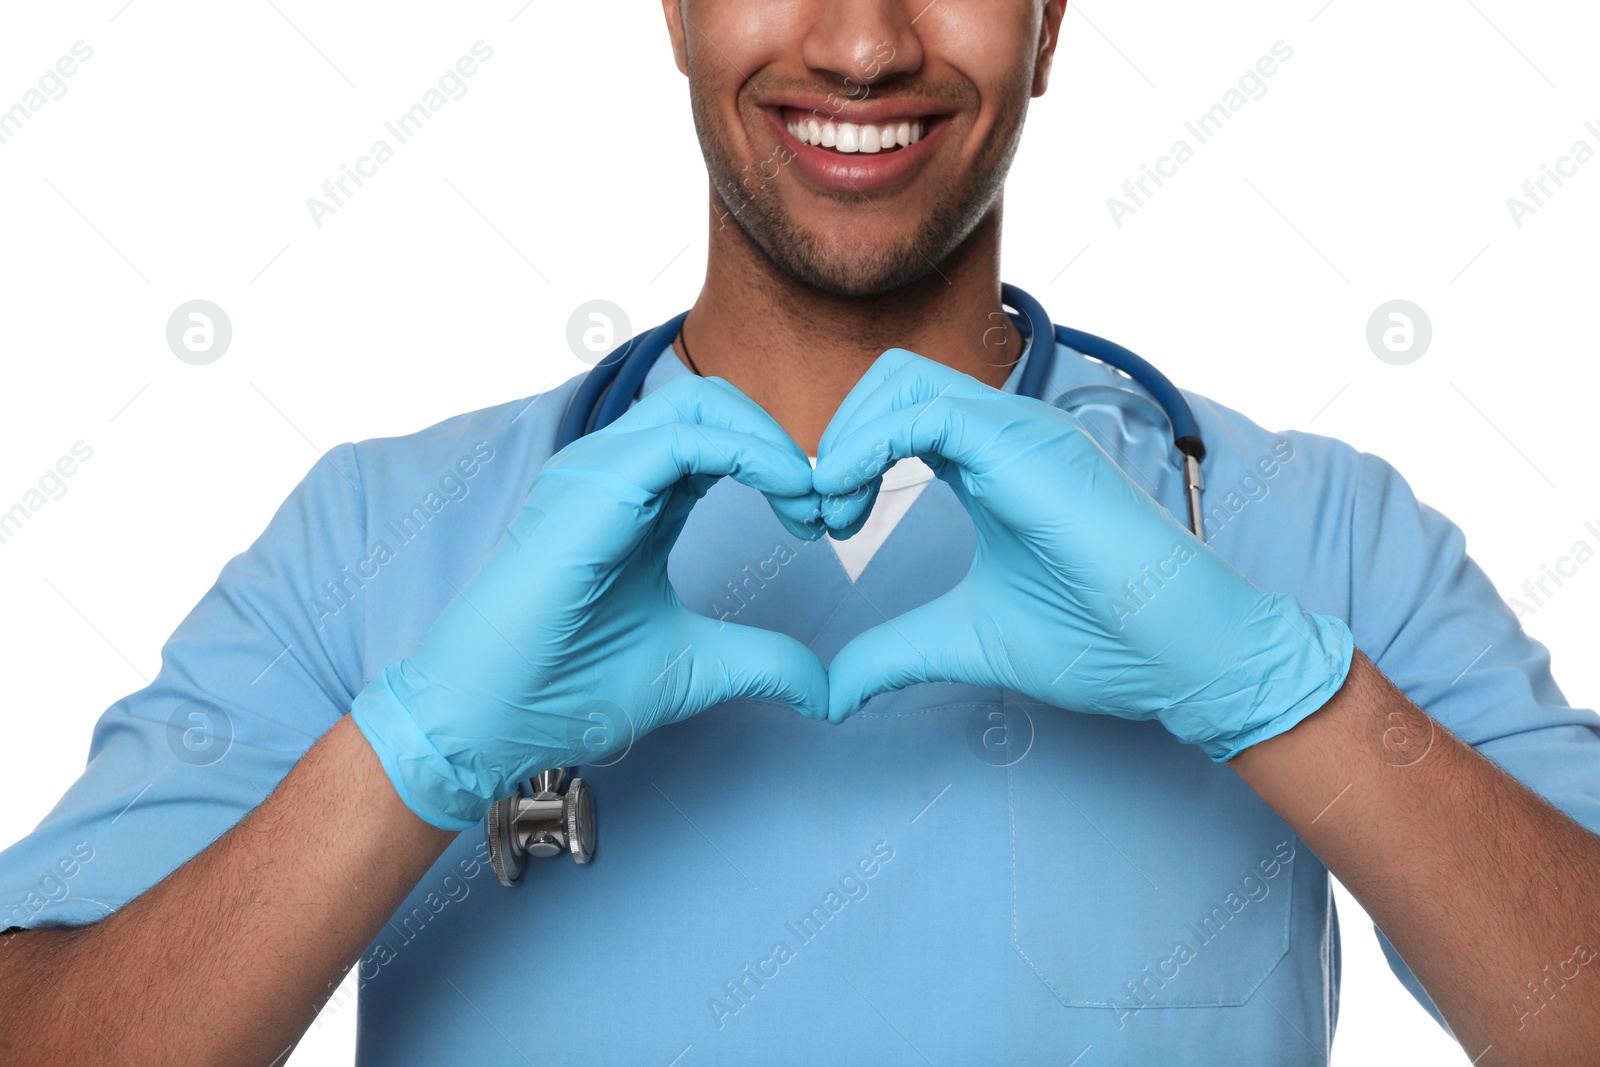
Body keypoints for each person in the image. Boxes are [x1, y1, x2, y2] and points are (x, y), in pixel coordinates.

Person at [3, 2, 1598, 1063]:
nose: (860, 42)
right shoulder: (379, 534)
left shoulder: (1308, 533)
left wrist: (1288, 700)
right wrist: (408, 755)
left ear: (1051, 24)